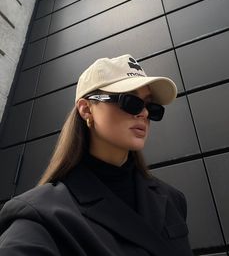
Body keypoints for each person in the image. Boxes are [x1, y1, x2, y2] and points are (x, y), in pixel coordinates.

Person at [0, 54, 193, 255]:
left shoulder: (172, 199)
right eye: (131, 101)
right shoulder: (42, 214)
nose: (144, 113)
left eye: (151, 107)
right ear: (86, 110)